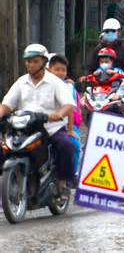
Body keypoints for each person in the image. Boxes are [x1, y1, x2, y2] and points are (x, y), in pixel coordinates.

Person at [0, 44, 75, 200]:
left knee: (66, 145)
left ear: (43, 62)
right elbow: (6, 105)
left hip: (51, 127)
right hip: (25, 127)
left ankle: (62, 184)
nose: (30, 65)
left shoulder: (55, 82)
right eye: (28, 61)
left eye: (34, 61)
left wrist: (59, 114)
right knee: (5, 147)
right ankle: (8, 183)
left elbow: (68, 104)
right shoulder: (21, 82)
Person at [47, 54, 82, 183]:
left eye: (63, 70)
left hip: (65, 124)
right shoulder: (40, 83)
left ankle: (71, 174)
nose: (60, 73)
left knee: (74, 144)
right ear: (49, 69)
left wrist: (70, 129)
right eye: (57, 69)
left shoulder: (67, 87)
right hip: (43, 123)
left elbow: (70, 109)